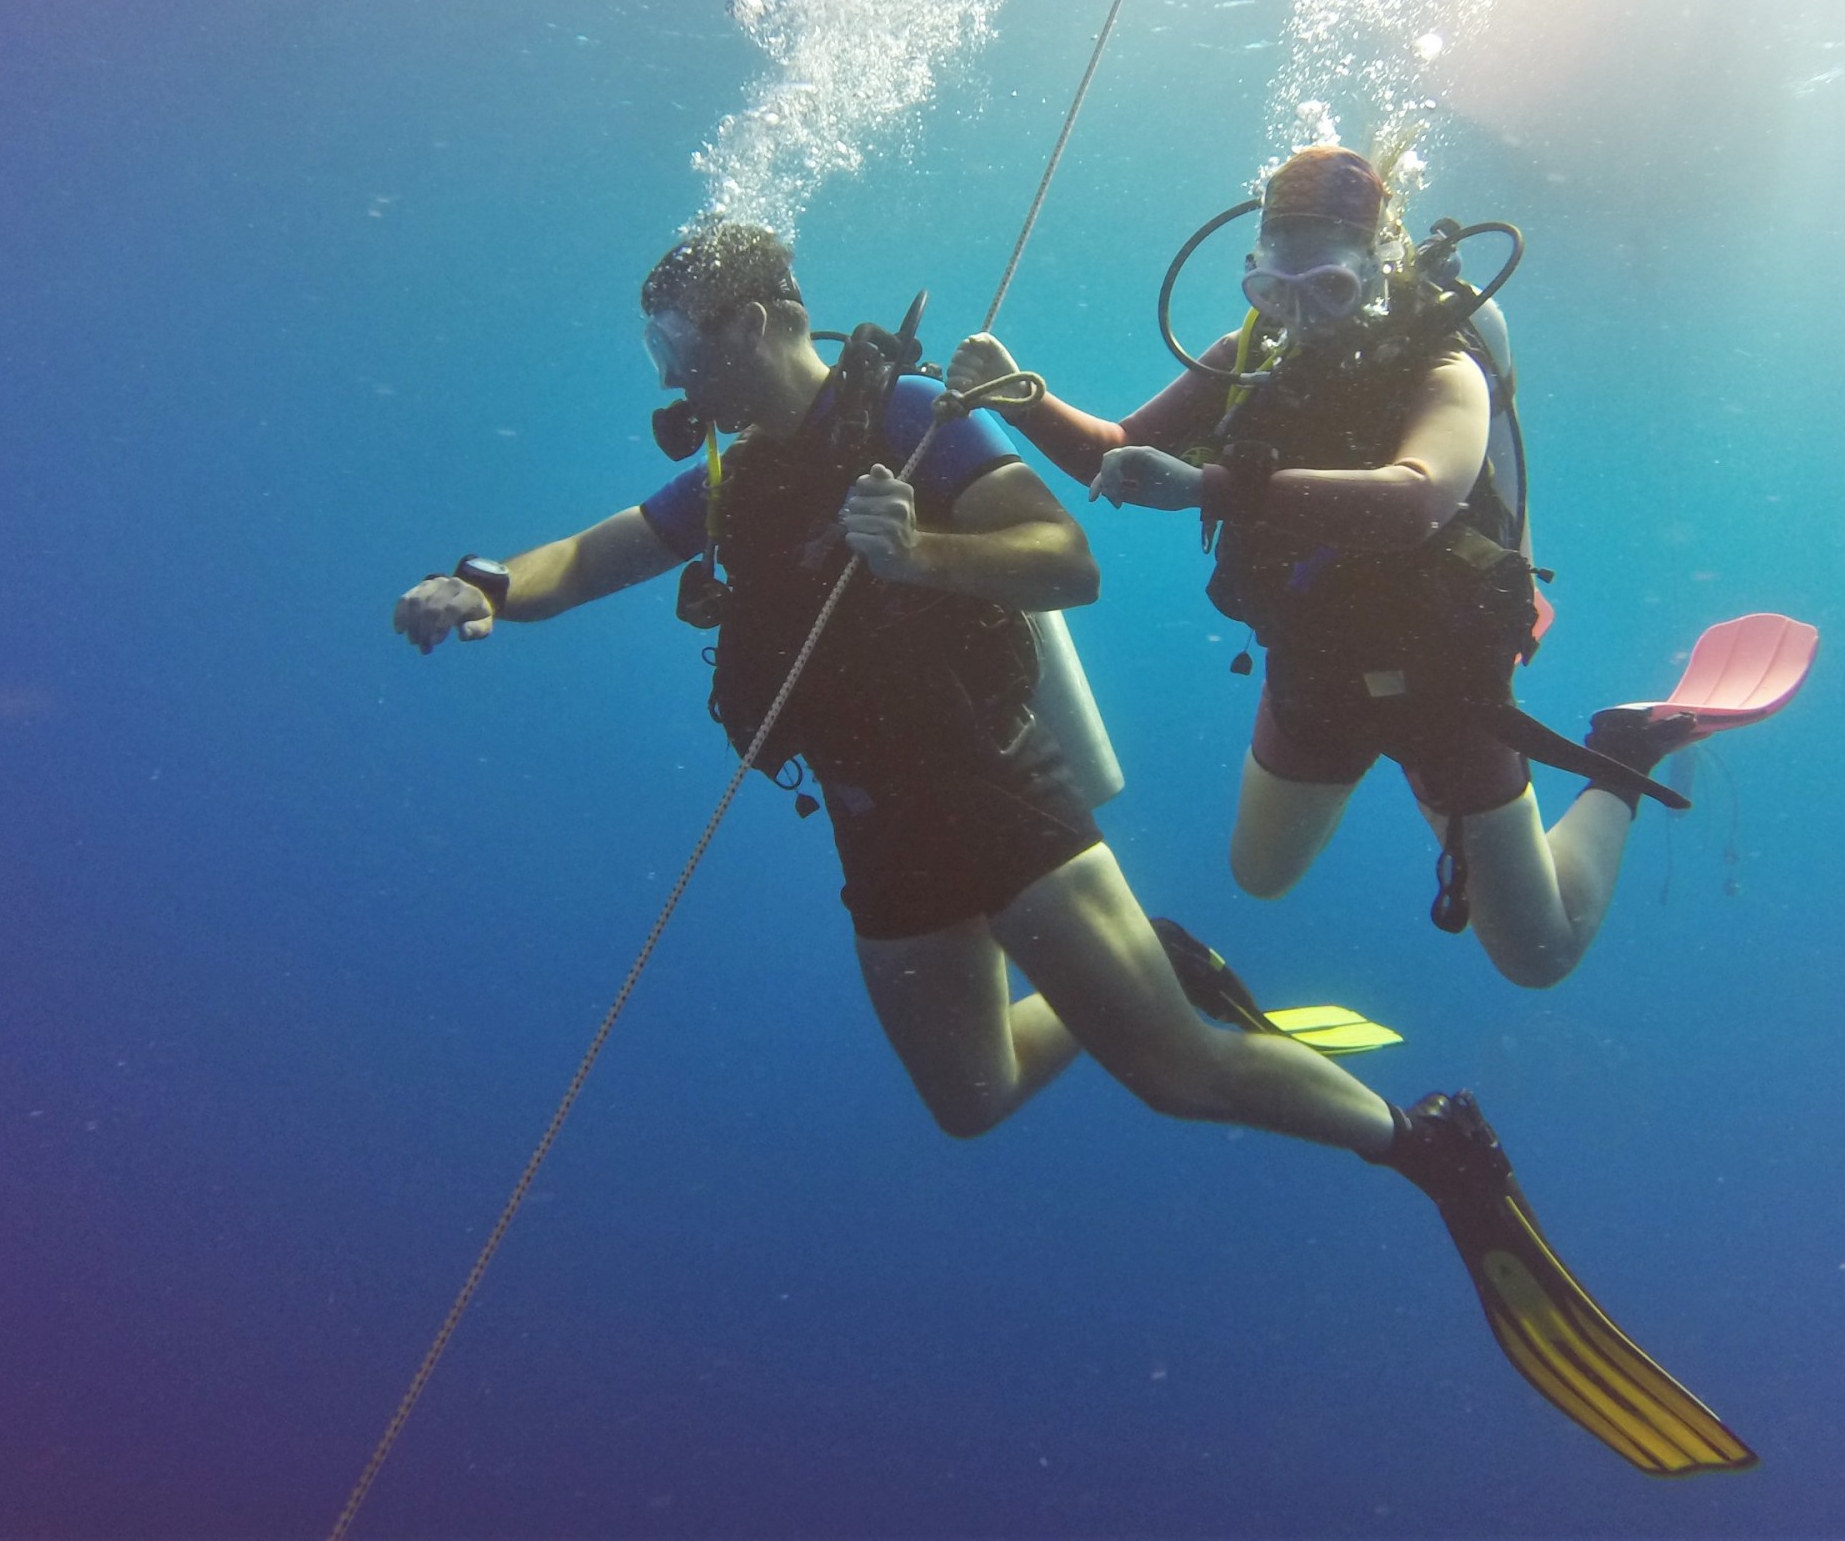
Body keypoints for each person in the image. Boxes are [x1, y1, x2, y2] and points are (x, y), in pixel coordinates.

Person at [390, 219, 1756, 1474]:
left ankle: (1427, 1144)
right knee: (972, 1095)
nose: (670, 373)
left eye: (678, 342)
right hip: (878, 828)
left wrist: (921, 554)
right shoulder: (733, 473)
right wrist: (487, 582)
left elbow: (1065, 556)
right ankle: (1160, 962)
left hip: (997, 797)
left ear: (754, 322)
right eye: (659, 348)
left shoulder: (907, 420)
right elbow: (601, 552)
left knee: (1176, 1071)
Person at [946, 145, 1813, 990]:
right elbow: (1118, 451)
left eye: (1328, 288)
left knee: (1539, 954)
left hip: (1447, 684)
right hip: (1314, 671)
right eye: (1274, 290)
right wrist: (1021, 396)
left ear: (1377, 266)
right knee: (1260, 874)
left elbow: (1418, 498)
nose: (1301, 317)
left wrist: (1211, 486)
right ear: (1253, 276)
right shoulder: (1247, 357)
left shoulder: (1444, 365)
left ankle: (1623, 747)